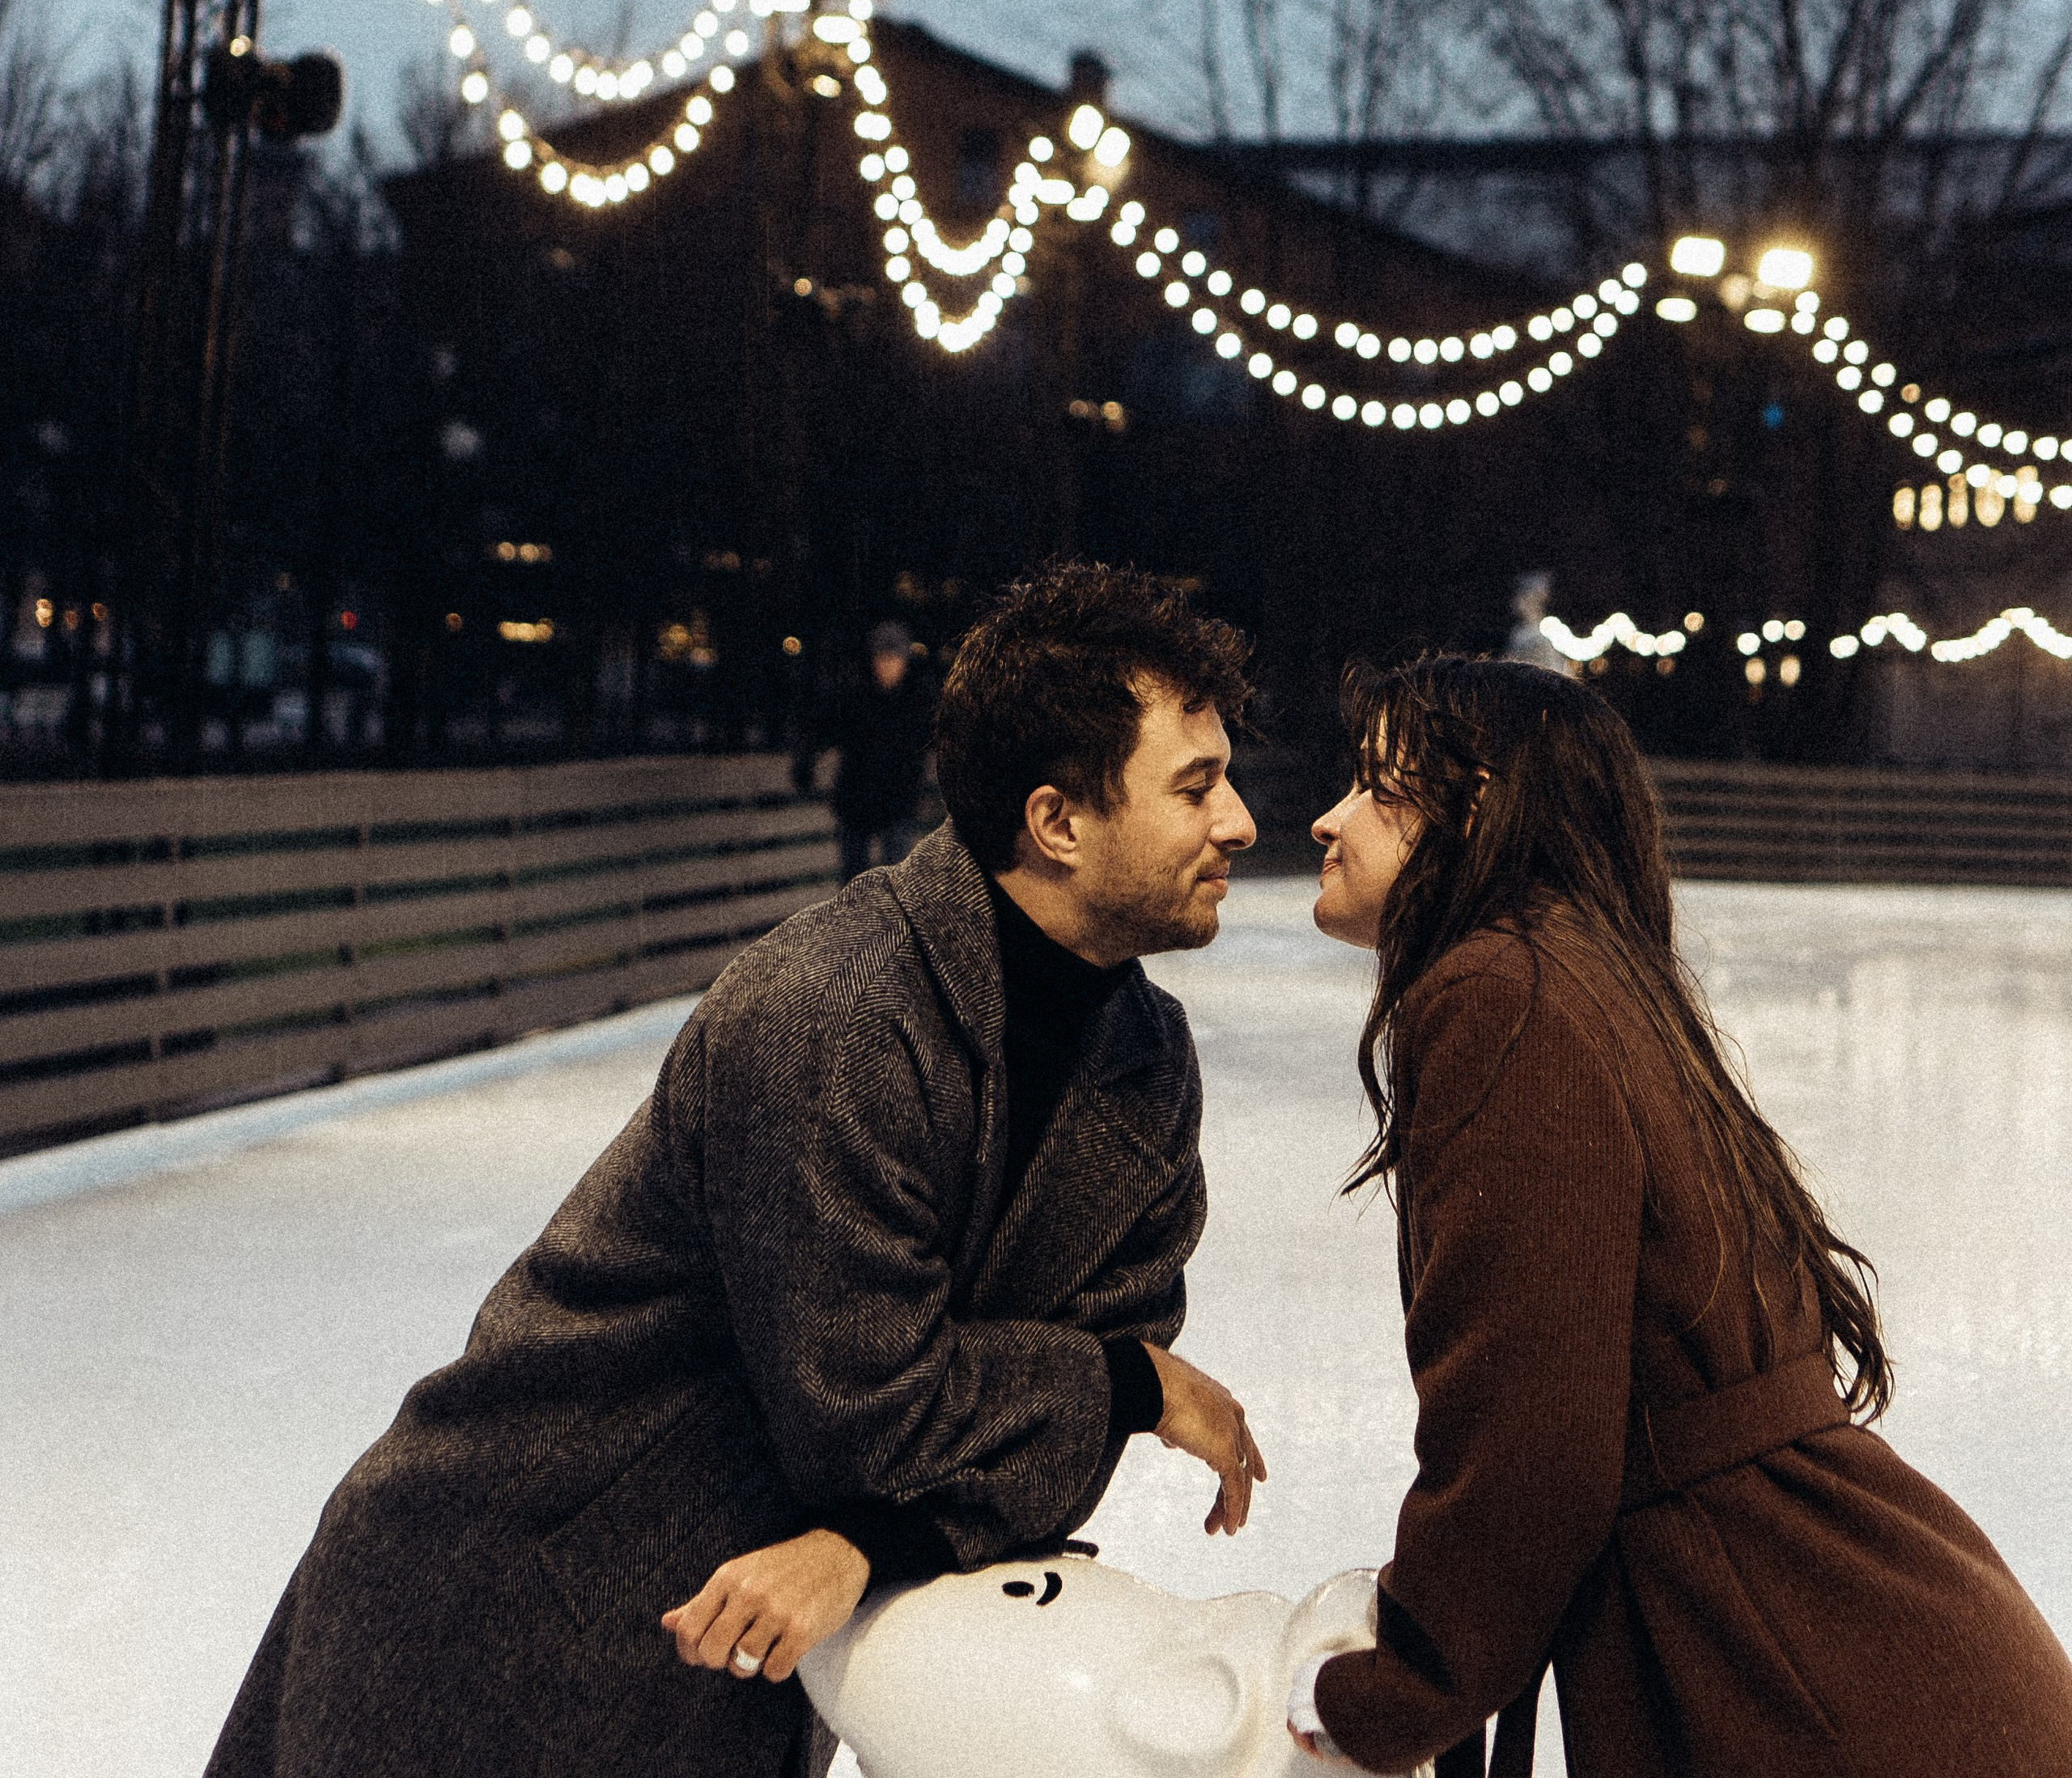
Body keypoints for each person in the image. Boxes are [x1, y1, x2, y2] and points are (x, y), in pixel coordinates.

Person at [206, 559, 1267, 1778]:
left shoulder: (1146, 1064)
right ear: (1057, 823)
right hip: (504, 1613)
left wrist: (883, 1542)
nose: (1240, 821)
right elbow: (871, 1411)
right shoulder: (839, 1012)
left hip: (742, 1639)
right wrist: (1127, 1386)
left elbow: (1055, 1423)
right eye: (1196, 786)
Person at [1285, 655, 2072, 1777]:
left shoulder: (1499, 992)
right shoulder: (1580, 972)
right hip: (1845, 1636)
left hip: (1788, 1666)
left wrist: (1401, 1690)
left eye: (1375, 786)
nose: (1328, 819)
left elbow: (1529, 1431)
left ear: (1474, 809)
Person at [825, 617, 936, 879]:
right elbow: (833, 734)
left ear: (905, 662)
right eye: (882, 659)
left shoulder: (916, 699)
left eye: (894, 659)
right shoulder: (855, 695)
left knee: (896, 877)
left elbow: (920, 752)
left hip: (897, 804)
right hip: (857, 801)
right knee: (853, 878)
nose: (887, 667)